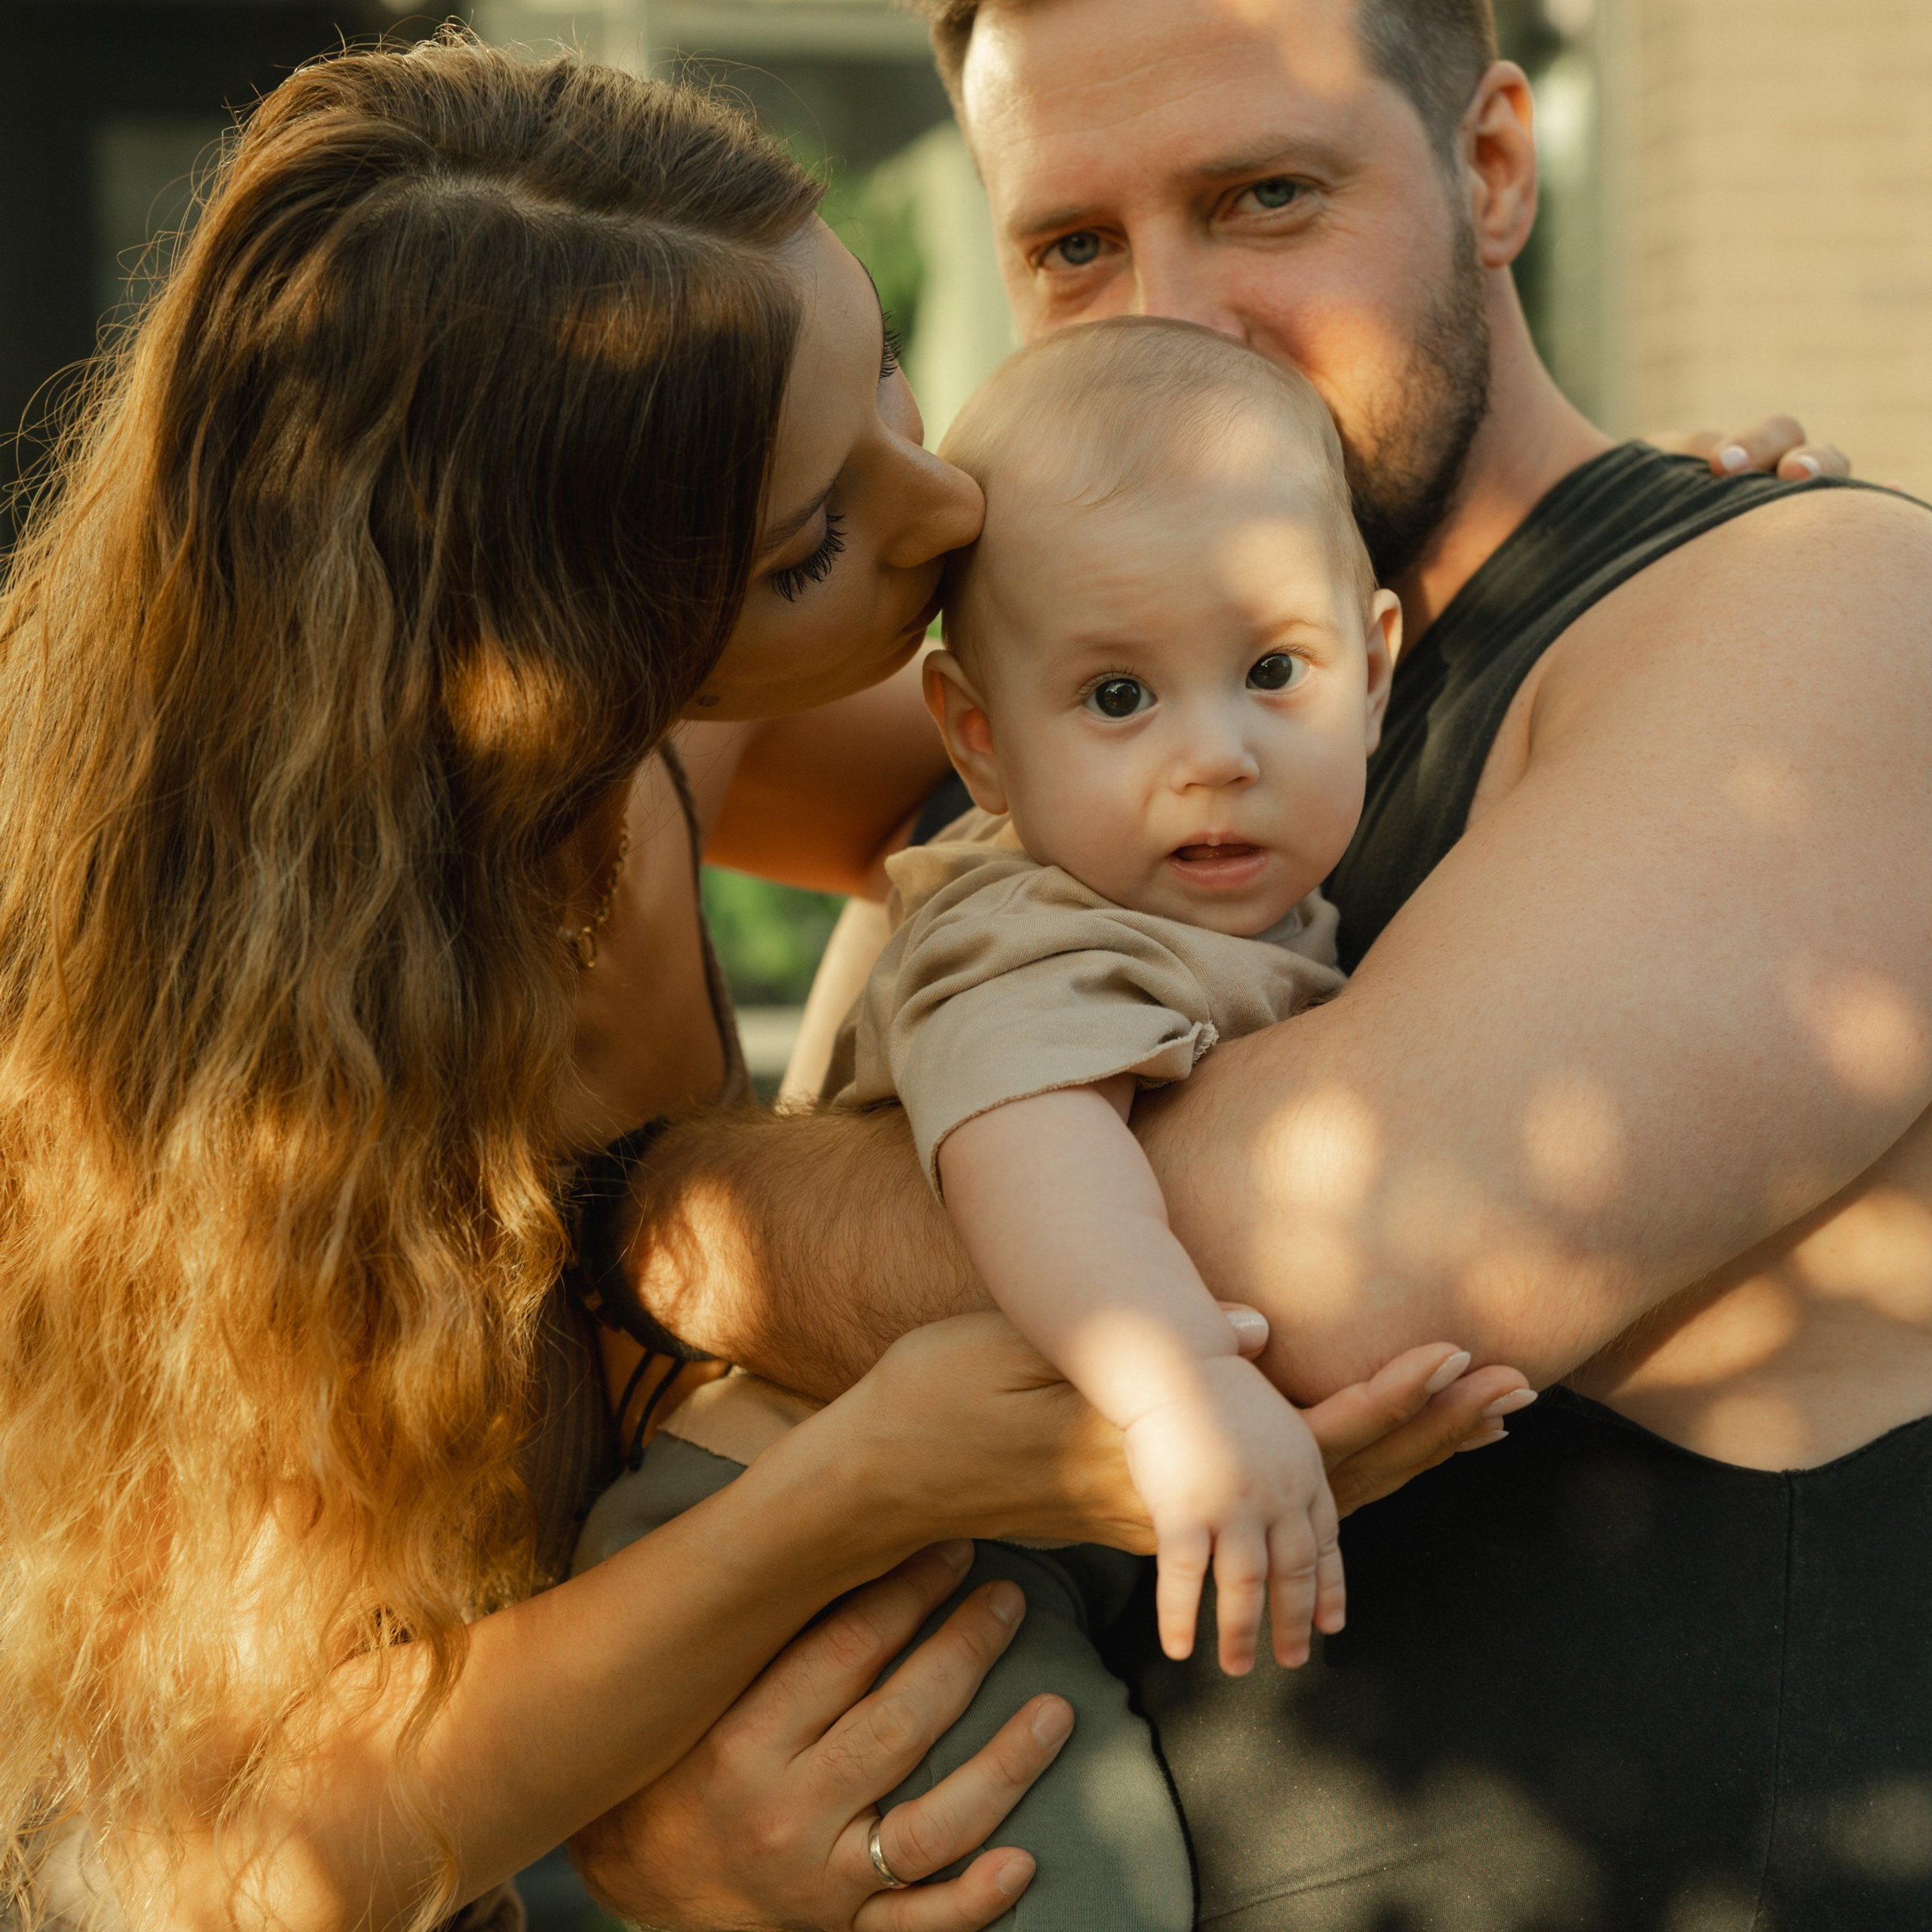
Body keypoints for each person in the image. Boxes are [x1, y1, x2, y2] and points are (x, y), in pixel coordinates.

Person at [0, 32, 1524, 1932]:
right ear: (557, 649)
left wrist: (1592, 540)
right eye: (817, 539)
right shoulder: (210, 1059)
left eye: (885, 367)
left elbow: (1142, 673)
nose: (943, 510)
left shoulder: (685, 727)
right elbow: (221, 1849)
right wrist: (863, 1482)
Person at [568, 2, 1932, 1927]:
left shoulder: (1816, 616)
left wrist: (637, 1203)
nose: (1172, 313)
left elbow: (1288, 1278)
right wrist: (659, 1786)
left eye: (1263, 198)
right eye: (1069, 246)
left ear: (1487, 167)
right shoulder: (1059, 705)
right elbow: (544, 704)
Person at [572, 316, 1472, 1932]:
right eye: (1116, 695)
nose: (1212, 755)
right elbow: (1022, 1137)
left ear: (1377, 655)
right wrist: (1181, 1371)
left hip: (944, 1519)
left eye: (1273, 670)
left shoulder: (1232, 907)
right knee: (1065, 1876)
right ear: (976, 736)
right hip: (800, 1540)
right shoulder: (1030, 924)